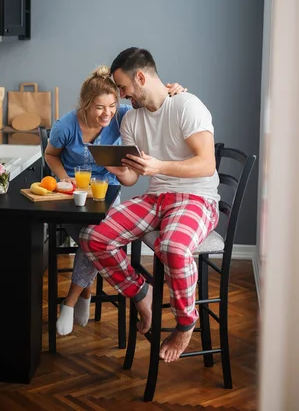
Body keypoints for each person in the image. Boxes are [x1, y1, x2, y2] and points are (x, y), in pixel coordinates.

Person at [79, 48, 219, 362]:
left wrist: (158, 167)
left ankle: (185, 323)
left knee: (172, 247)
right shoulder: (133, 119)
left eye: (124, 87)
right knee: (93, 237)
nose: (122, 94)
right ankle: (143, 295)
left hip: (196, 197)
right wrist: (119, 169)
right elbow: (132, 178)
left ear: (140, 77)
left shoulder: (187, 105)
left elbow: (206, 164)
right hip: (157, 198)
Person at [44, 65, 186, 336]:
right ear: (85, 105)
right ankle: (83, 296)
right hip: (72, 196)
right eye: (99, 107)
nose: (107, 113)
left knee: (93, 236)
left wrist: (173, 91)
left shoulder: (122, 115)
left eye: (112, 105)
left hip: (107, 193)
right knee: (91, 237)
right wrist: (64, 178)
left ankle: (70, 301)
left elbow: (153, 101)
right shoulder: (65, 126)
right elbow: (51, 155)